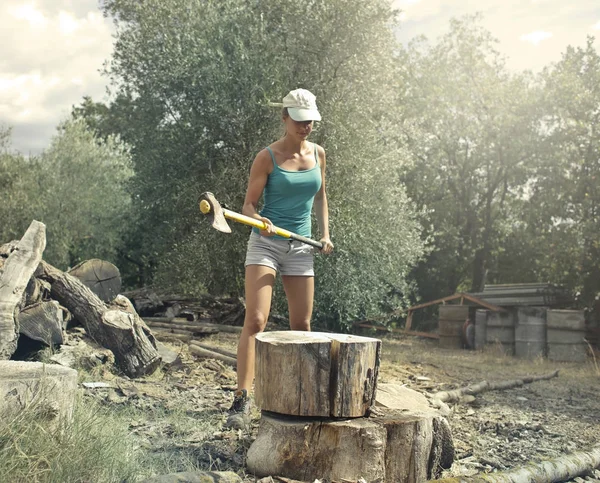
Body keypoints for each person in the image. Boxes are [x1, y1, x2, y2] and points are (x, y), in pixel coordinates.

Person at [226, 88, 334, 429]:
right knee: (256, 320)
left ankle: (299, 398)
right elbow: (248, 206)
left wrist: (325, 234)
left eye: (310, 121)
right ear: (284, 118)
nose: (306, 127)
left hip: (301, 247)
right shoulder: (266, 157)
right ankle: (242, 399)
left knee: (301, 326)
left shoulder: (319, 153)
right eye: (300, 121)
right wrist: (260, 221)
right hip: (266, 245)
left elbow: (321, 198)